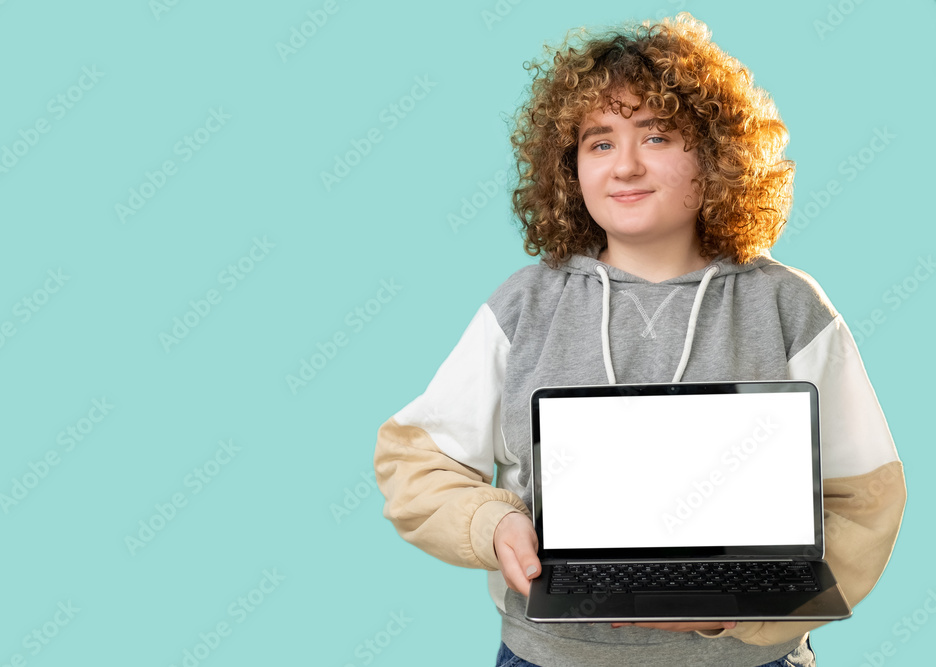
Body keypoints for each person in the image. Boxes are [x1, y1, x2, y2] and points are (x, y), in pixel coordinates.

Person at [374, 13, 906, 667]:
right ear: (569, 166)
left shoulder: (786, 304)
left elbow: (865, 495)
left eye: (656, 135)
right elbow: (415, 462)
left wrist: (749, 609)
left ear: (715, 152)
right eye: (599, 142)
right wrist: (494, 522)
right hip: (554, 657)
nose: (625, 165)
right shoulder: (523, 304)